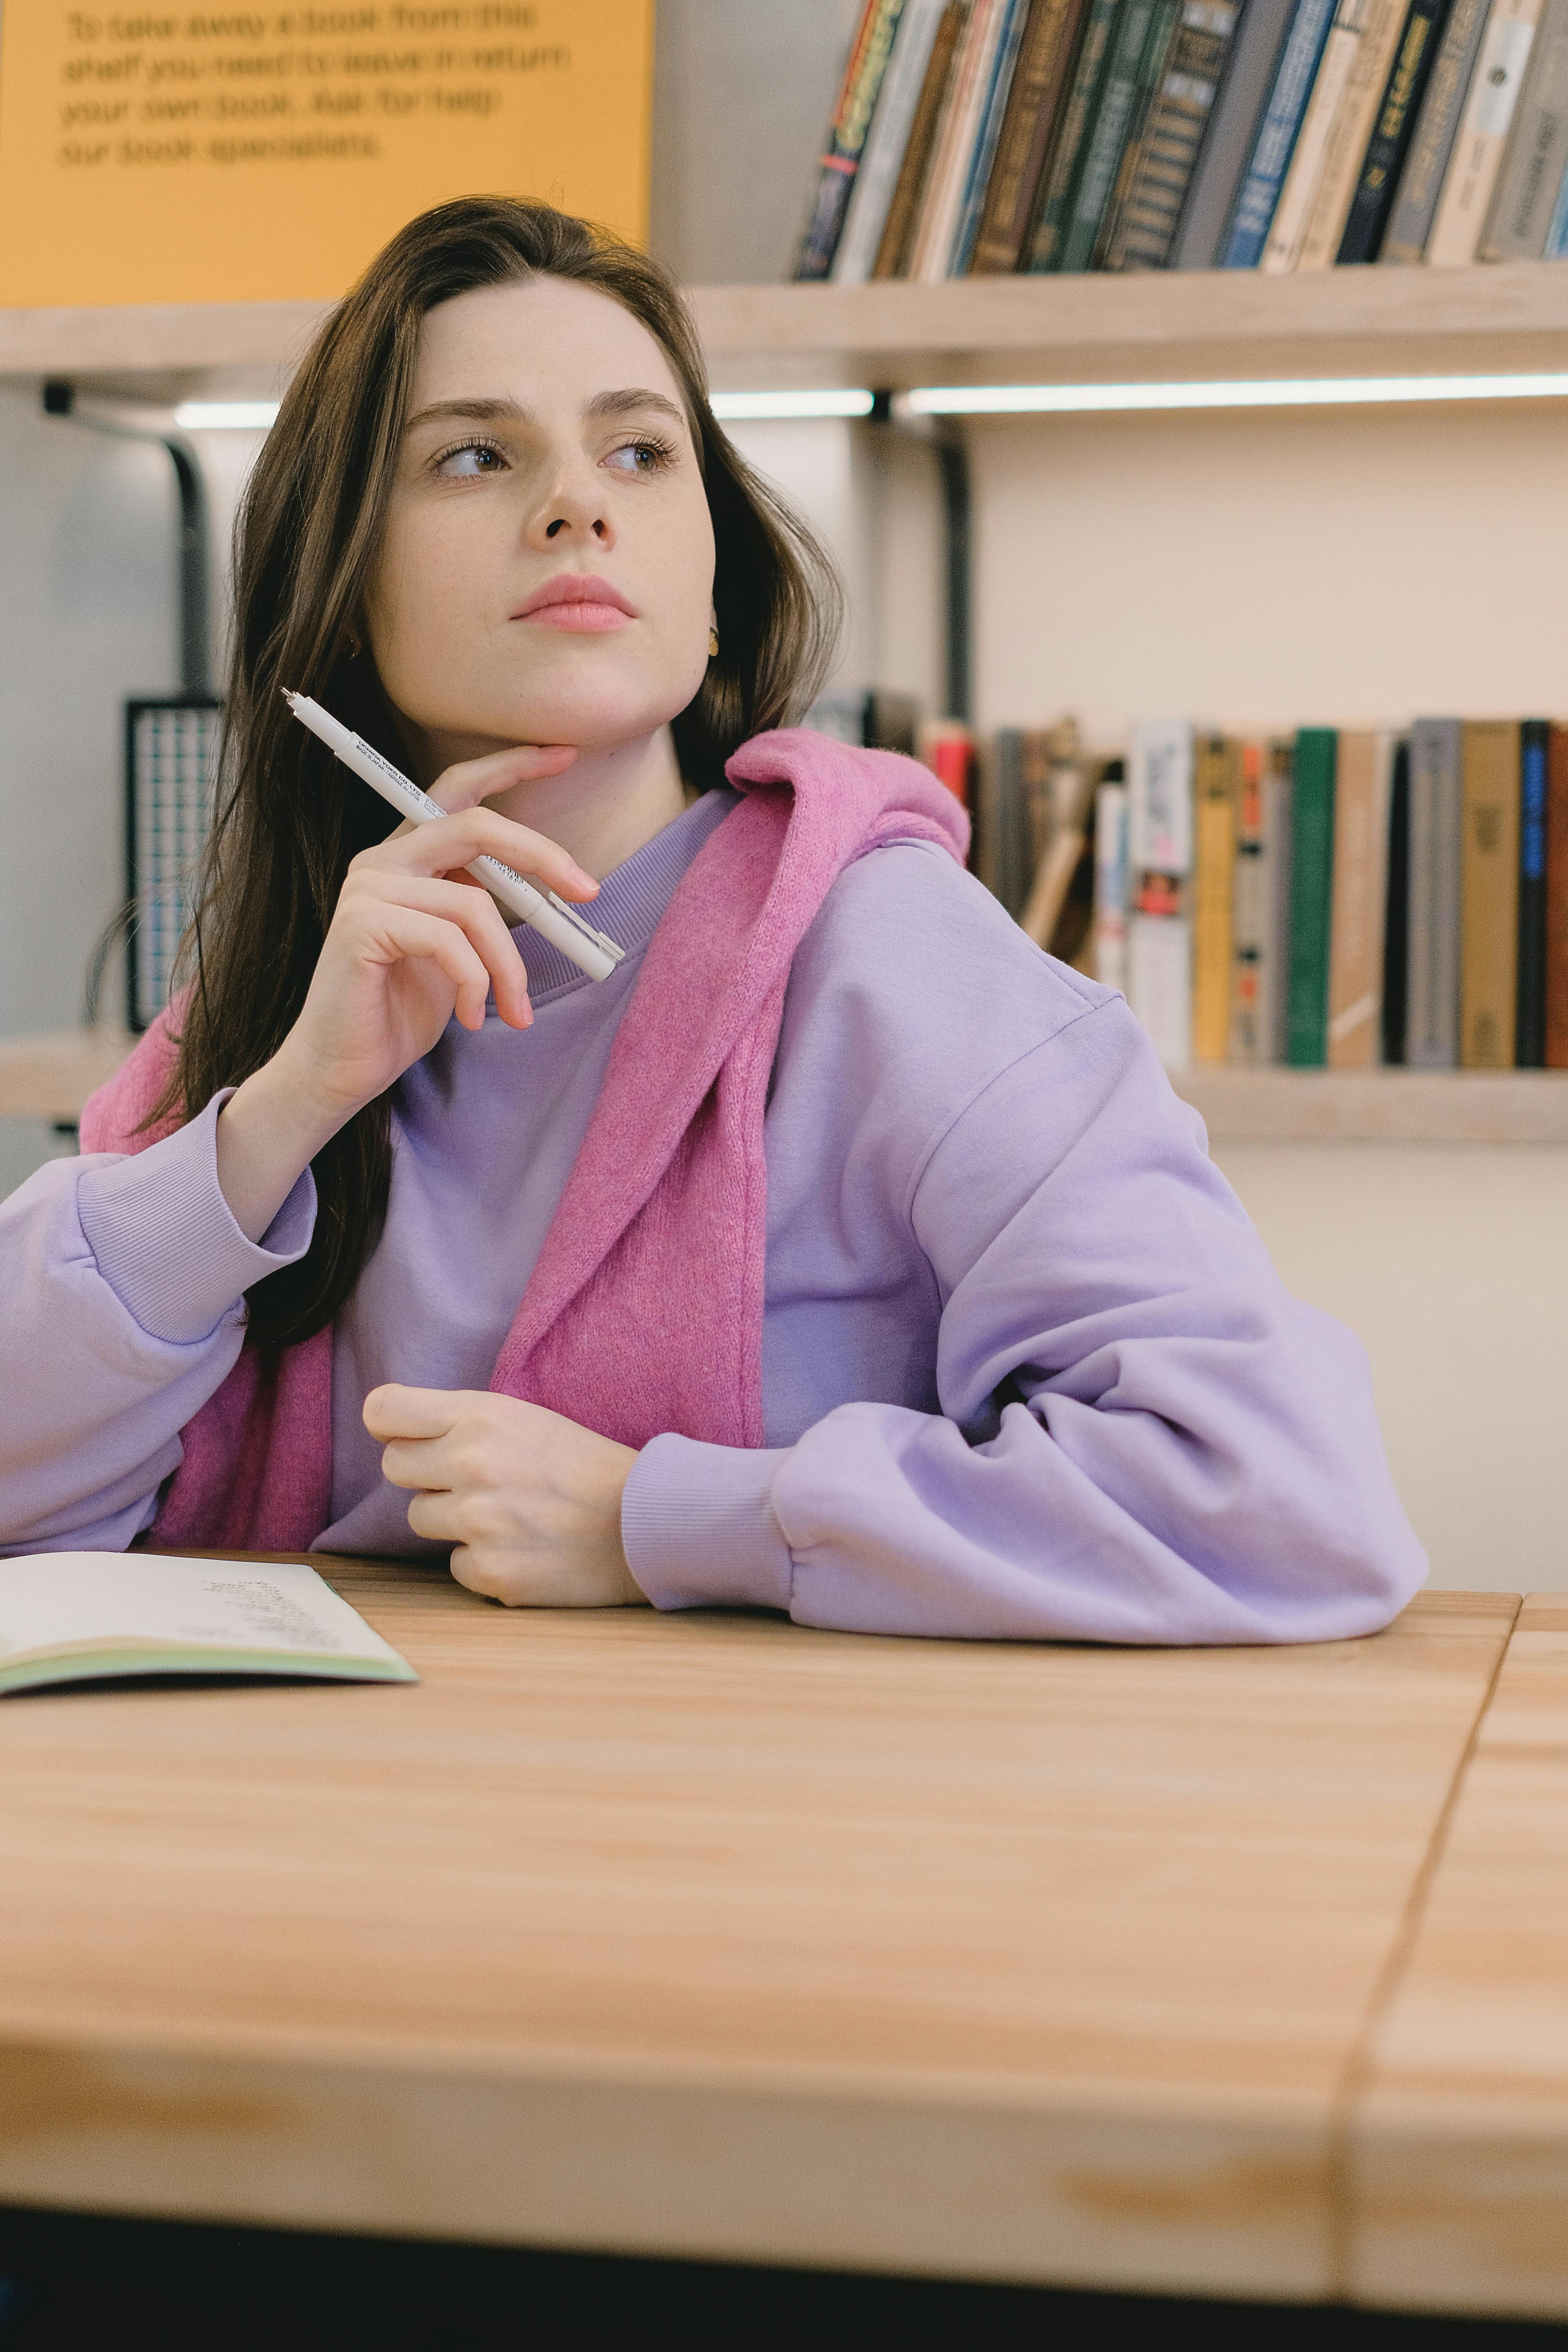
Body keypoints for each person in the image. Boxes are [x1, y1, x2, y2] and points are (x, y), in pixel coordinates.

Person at [0, 197, 1425, 1641]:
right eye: (475, 455)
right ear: (340, 588)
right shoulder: (298, 1001)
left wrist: (664, 1520)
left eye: (639, 449)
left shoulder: (889, 958)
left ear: (716, 586)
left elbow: (1283, 1496)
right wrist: (284, 1111)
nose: (577, 503)